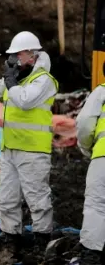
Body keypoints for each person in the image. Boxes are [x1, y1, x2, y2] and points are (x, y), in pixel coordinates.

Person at [0, 31, 58, 260]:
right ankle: (11, 240)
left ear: (32, 55)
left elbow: (24, 100)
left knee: (37, 198)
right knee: (7, 198)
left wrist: (11, 82)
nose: (13, 59)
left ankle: (43, 242)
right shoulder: (15, 79)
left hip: (33, 150)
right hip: (10, 149)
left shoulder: (43, 81)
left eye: (18, 54)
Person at [75, 71, 105, 265]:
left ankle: (92, 255)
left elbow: (85, 124)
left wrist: (87, 149)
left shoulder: (102, 92)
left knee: (97, 204)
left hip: (103, 156)